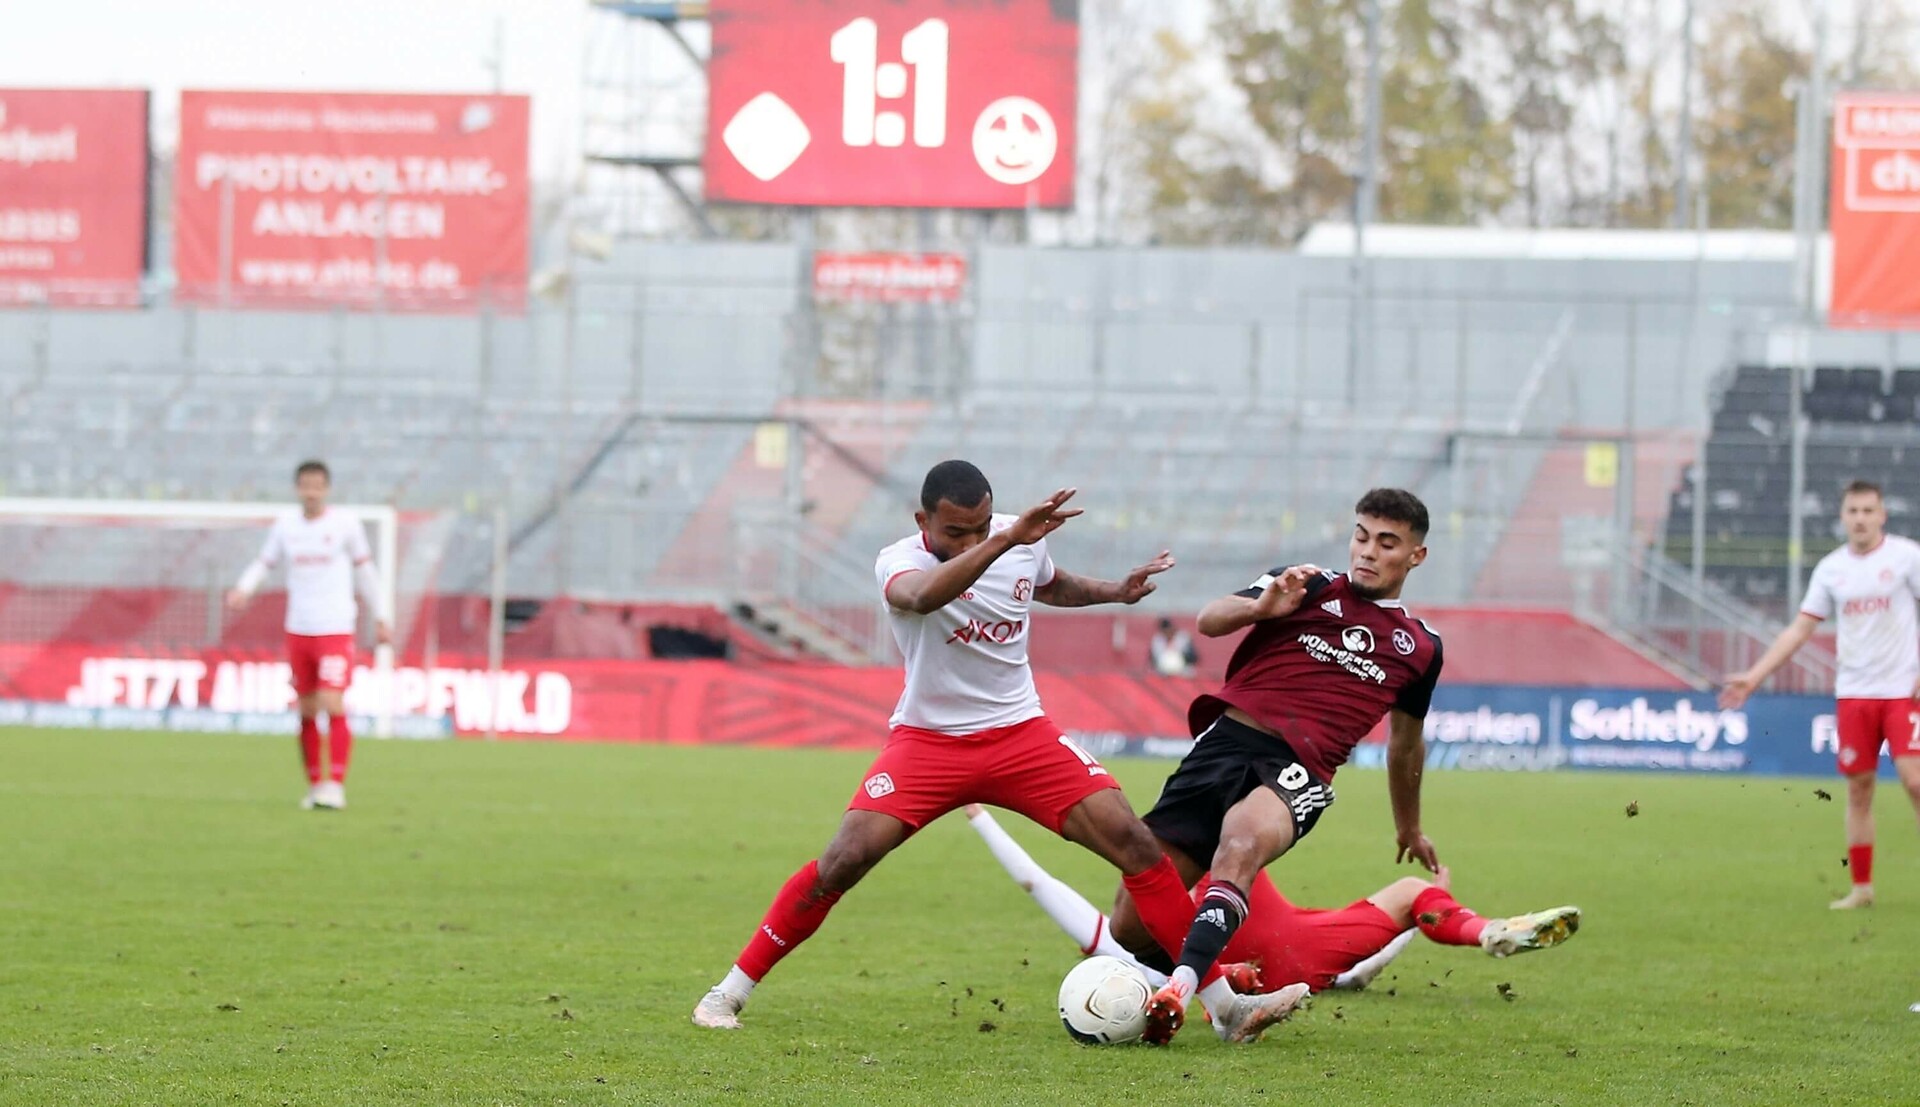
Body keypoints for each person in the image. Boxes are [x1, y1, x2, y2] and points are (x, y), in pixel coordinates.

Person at [691, 460, 1307, 1041]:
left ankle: (1225, 1007)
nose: (971, 540)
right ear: (923, 522)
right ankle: (727, 993)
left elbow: (1050, 584)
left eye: (981, 527)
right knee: (843, 860)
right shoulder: (900, 561)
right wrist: (1004, 540)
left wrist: (1114, 591)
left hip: (1021, 736)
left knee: (1138, 846)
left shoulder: (1019, 539)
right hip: (928, 743)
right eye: (956, 532)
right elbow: (921, 598)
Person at [1107, 488, 1445, 1043]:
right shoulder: (1304, 584)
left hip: (1299, 769)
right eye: (1361, 536)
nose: (1368, 552)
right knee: (1130, 923)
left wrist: (1409, 827)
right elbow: (1210, 619)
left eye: (1387, 543)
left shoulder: (1420, 647)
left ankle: (1181, 992)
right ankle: (1226, 995)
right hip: (1222, 746)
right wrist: (1260, 608)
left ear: (1416, 555)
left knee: (1240, 846)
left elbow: (1406, 745)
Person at [965, 805, 1579, 997]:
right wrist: (1430, 911)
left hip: (1255, 976)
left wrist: (980, 818)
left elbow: (1040, 885)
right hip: (1307, 951)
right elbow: (1368, 961)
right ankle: (1482, 929)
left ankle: (1449, 922)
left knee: (1349, 967)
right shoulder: (1216, 855)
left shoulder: (1127, 939)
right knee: (1414, 894)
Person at [1720, 479, 1920, 910]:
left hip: (1903, 692)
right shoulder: (1831, 569)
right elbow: (1799, 630)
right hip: (1854, 695)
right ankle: (1862, 888)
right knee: (1859, 790)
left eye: (1868, 511)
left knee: (1916, 781)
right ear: (1843, 517)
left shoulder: (1907, 557)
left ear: (1882, 515)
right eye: (1853, 511)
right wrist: (1754, 677)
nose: (1861, 519)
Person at [226, 460, 391, 810]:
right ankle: (315, 785)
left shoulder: (345, 524)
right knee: (306, 709)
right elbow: (265, 562)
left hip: (335, 627)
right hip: (299, 628)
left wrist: (381, 615)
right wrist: (243, 588)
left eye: (317, 485)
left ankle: (336, 784)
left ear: (326, 489)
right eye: (306, 485)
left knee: (332, 701)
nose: (311, 492)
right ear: (297, 488)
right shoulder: (286, 525)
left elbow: (365, 571)